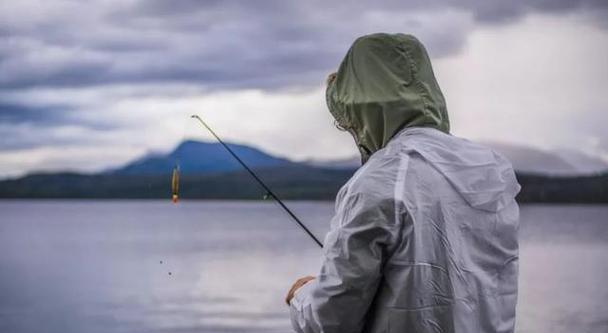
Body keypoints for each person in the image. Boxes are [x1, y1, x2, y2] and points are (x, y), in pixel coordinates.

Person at [285, 33, 521, 333]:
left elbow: (331, 320)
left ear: (365, 111)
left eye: (351, 122)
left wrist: (302, 296)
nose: (353, 132)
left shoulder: (377, 182)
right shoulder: (493, 170)